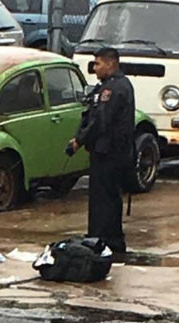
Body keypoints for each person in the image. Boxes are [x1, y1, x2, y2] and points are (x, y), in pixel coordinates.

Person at [69, 47, 135, 254]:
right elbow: (90, 115)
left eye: (98, 64)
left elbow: (101, 121)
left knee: (104, 199)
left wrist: (79, 141)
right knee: (105, 197)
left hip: (110, 153)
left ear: (110, 64)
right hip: (105, 151)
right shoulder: (107, 86)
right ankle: (106, 239)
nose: (94, 68)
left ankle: (103, 240)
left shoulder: (114, 89)